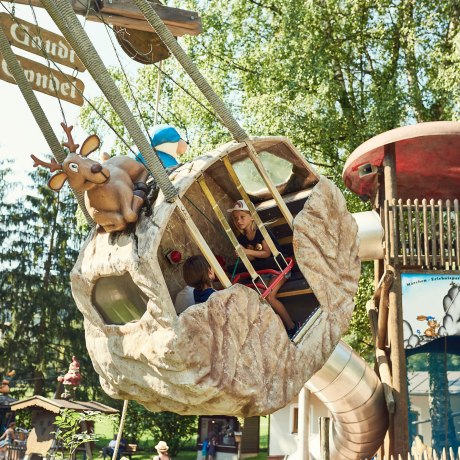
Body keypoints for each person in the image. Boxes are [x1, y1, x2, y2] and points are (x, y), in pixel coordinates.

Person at [228, 200, 300, 339]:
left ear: (252, 217)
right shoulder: (242, 238)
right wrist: (244, 254)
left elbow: (266, 253)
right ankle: (275, 330)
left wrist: (248, 252)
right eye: (236, 218)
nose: (239, 221)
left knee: (269, 296)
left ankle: (291, 326)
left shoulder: (261, 231)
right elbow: (254, 260)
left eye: (242, 217)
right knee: (259, 296)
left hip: (280, 268)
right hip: (265, 271)